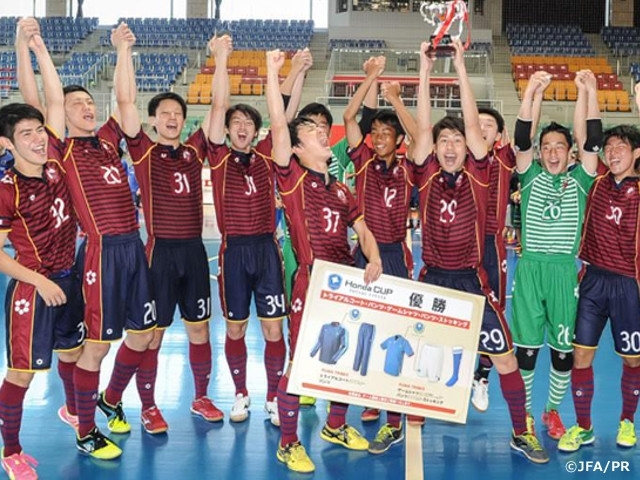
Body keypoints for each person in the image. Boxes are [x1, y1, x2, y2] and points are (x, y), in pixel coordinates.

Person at [18, 20, 156, 460]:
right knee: (96, 345)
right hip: (100, 252)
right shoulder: (59, 149)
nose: (86, 108)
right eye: (77, 104)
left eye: (87, 102)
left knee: (144, 333)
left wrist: (122, 50)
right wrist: (31, 46)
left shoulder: (109, 141)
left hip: (134, 246)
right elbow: (39, 100)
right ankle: (85, 429)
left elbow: (126, 99)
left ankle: (110, 398)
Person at [410, 40, 548, 464]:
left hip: (473, 280)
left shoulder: (482, 173)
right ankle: (403, 425)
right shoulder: (425, 172)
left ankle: (521, 432)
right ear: (434, 148)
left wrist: (460, 64)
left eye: (457, 139)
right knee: (417, 363)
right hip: (432, 279)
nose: (451, 146)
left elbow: (474, 128)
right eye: (443, 140)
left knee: (504, 358)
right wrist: (425, 68)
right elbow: (421, 127)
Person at [266, 48, 382, 473]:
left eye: (321, 128)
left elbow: (364, 230)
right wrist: (274, 73)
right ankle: (289, 442)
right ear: (295, 149)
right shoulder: (292, 178)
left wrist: (372, 259)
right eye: (312, 130)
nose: (321, 132)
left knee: (346, 359)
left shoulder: (340, 188)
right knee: (302, 364)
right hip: (311, 280)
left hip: (345, 281)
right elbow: (278, 124)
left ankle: (335, 426)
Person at [114, 31, 220, 433]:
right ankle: (147, 405)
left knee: (199, 328)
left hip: (193, 252)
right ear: (154, 119)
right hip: (158, 254)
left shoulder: (195, 150)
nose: (172, 118)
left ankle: (201, 397)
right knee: (152, 336)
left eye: (178, 113)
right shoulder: (142, 150)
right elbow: (125, 101)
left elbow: (218, 106)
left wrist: (219, 60)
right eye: (165, 113)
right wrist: (124, 50)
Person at [208, 35, 311, 425]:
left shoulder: (267, 154)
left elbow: (283, 113)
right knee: (235, 327)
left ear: (254, 132)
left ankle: (272, 395)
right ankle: (239, 393)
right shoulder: (217, 156)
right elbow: (219, 105)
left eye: (248, 123)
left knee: (273, 328)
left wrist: (297, 71)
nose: (241, 127)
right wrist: (221, 59)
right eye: (236, 123)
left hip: (267, 250)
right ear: (229, 130)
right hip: (234, 250)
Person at [510, 70, 600, 440]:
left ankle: (551, 412)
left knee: (563, 353)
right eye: (546, 146)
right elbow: (520, 138)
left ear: (569, 152)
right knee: (527, 352)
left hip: (565, 272)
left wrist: (587, 92)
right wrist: (532, 91)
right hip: (530, 270)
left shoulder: (581, 179)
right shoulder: (529, 175)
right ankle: (528, 415)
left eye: (559, 146)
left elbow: (591, 140)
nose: (551, 152)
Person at [0, 100, 84, 479]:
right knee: (22, 373)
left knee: (74, 351)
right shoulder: (7, 189)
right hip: (33, 289)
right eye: (25, 134)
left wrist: (34, 48)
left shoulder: (56, 168)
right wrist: (40, 282)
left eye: (39, 131)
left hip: (68, 280)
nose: (37, 139)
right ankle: (11, 450)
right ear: (6, 143)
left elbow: (52, 100)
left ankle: (71, 409)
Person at [557, 83, 640, 453]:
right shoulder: (596, 182)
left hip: (628, 284)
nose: (612, 152)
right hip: (592, 280)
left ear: (636, 154)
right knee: (581, 355)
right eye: (609, 148)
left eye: (621, 148)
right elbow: (582, 135)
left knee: (633, 357)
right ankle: (584, 427)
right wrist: (586, 92)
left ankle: (626, 423)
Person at [343, 55, 414, 454]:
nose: (381, 137)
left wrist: (397, 101)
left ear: (399, 139)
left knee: (394, 332)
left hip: (396, 255)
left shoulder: (409, 167)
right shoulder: (363, 161)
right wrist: (371, 75)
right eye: (378, 133)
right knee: (364, 326)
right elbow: (351, 117)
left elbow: (420, 138)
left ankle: (393, 412)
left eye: (389, 132)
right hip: (363, 252)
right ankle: (370, 393)